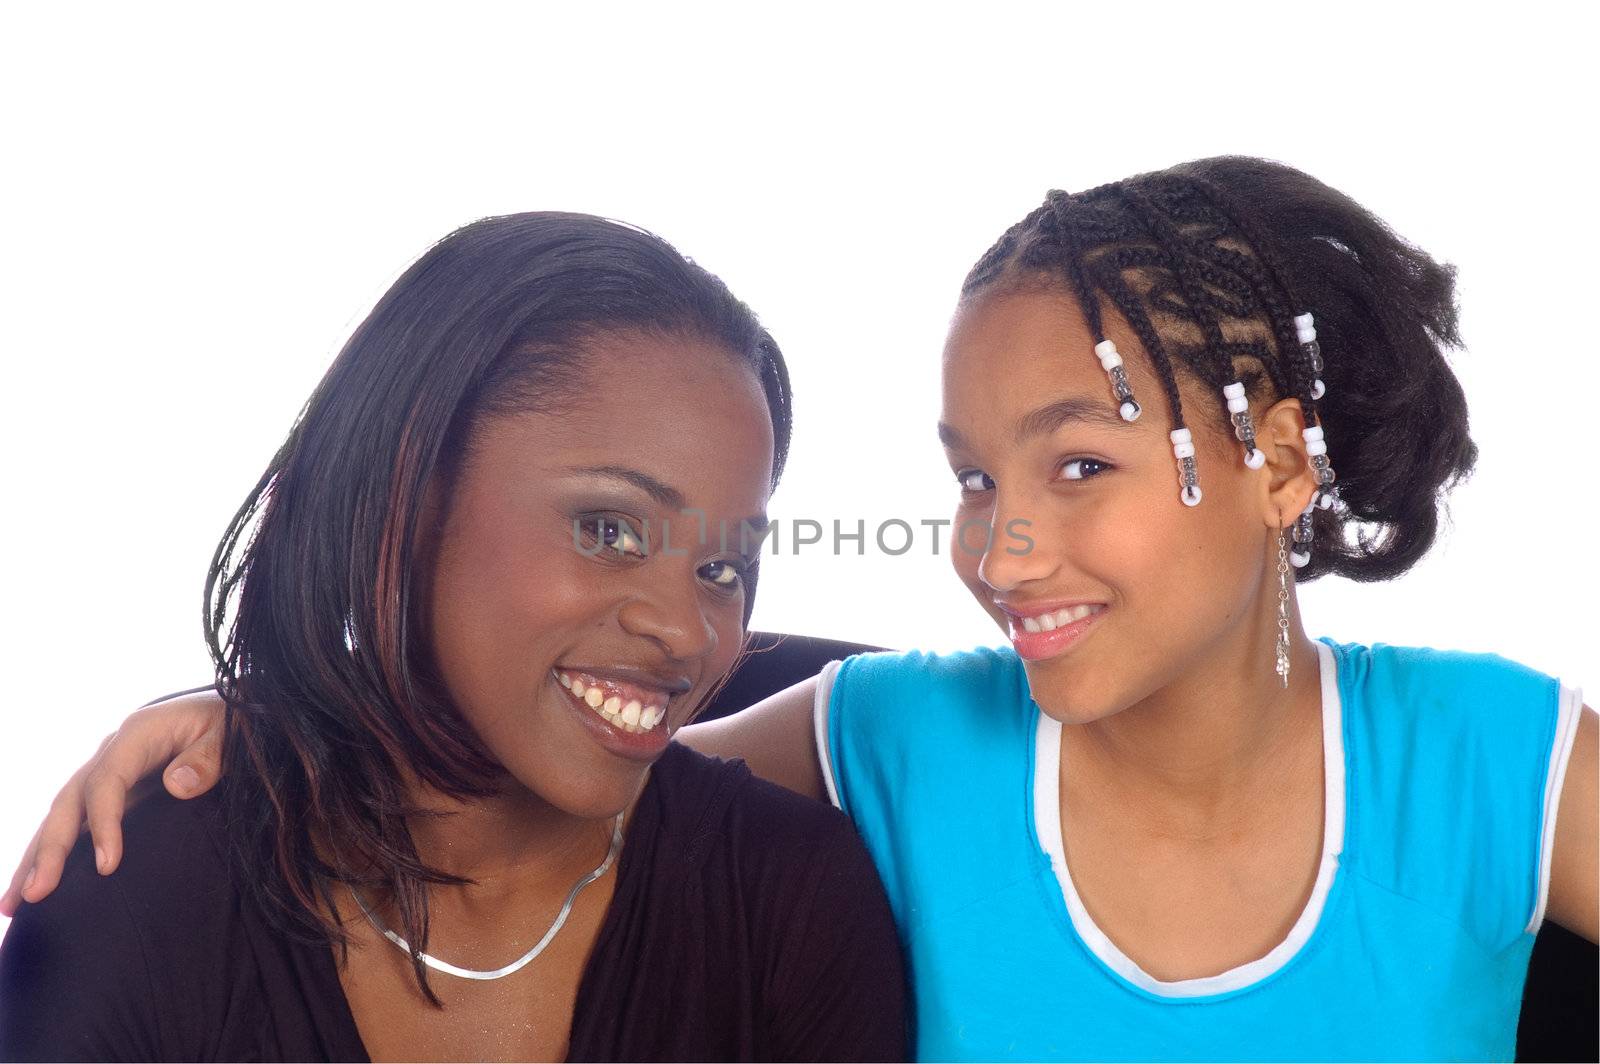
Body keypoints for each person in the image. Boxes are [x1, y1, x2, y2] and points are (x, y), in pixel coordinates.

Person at [8, 158, 1596, 1061]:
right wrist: (268, 716)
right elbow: (584, 748)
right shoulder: (889, 745)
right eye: (974, 479)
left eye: (1077, 465)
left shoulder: (1497, 761)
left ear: (1272, 461)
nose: (1003, 546)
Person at [0, 213, 907, 1061]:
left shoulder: (791, 908)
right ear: (405, 497)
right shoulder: (152, 881)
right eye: (609, 529)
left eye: (722, 570)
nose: (685, 632)